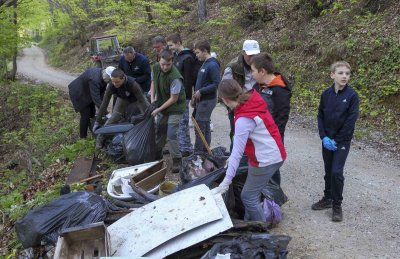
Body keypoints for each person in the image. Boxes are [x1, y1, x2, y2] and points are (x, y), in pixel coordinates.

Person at [212, 79, 286, 222]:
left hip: (266, 159)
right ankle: (248, 223)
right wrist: (231, 158)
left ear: (225, 100)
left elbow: (237, 154)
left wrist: (225, 182)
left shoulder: (243, 120)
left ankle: (262, 233)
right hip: (275, 153)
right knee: (251, 193)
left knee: (248, 197)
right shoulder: (251, 101)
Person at [312, 61, 359, 222]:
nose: (344, 76)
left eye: (347, 73)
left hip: (341, 141)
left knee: (336, 172)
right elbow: (320, 116)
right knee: (328, 171)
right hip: (327, 140)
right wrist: (323, 136)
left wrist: (336, 140)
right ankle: (327, 198)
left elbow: (350, 121)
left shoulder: (352, 96)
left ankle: (337, 205)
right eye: (340, 73)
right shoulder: (326, 94)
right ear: (332, 75)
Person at [250, 52, 292, 186]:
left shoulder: (280, 90)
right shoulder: (258, 86)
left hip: (273, 138)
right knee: (261, 166)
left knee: (272, 170)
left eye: (253, 71)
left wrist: (275, 139)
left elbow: (282, 118)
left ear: (262, 71)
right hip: (259, 135)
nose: (252, 74)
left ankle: (274, 201)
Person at [94, 68, 149, 149]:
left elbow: (142, 101)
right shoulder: (111, 86)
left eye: (117, 82)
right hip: (123, 98)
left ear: (123, 78)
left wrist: (147, 115)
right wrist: (97, 121)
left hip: (137, 98)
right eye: (113, 81)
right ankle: (101, 137)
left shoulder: (133, 84)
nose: (115, 84)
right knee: (114, 117)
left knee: (148, 114)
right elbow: (104, 103)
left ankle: (153, 134)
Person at [151, 49, 186, 173]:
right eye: (162, 64)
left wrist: (158, 109)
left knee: (171, 133)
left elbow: (173, 99)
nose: (165, 67)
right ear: (158, 61)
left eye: (168, 64)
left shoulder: (175, 77)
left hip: (175, 108)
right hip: (162, 105)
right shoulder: (155, 68)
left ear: (172, 62)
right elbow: (153, 82)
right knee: (160, 130)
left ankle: (177, 159)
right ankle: (156, 155)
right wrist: (152, 99)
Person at [222, 40, 260, 151]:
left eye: (255, 55)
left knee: (254, 136)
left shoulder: (261, 64)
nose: (253, 58)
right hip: (237, 107)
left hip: (256, 106)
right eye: (250, 55)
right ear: (243, 52)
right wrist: (233, 106)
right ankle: (234, 161)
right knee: (237, 135)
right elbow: (224, 89)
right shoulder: (232, 68)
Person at [166, 33, 196, 157]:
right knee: (178, 121)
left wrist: (184, 95)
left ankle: (186, 148)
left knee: (183, 122)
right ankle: (182, 145)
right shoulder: (176, 57)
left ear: (178, 42)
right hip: (176, 94)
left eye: (171, 45)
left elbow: (189, 80)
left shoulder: (187, 58)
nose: (170, 48)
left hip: (183, 95)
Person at [68, 67, 113, 138]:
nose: (111, 81)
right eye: (110, 79)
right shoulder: (94, 79)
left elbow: (101, 96)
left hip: (87, 92)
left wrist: (102, 110)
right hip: (78, 93)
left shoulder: (104, 78)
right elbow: (96, 99)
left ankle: (93, 132)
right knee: (85, 115)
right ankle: (83, 137)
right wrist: (107, 114)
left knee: (92, 113)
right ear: (106, 75)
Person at [192, 40, 221, 153]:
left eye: (198, 52)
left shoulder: (212, 64)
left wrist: (201, 91)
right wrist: (195, 95)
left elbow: (216, 83)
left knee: (200, 128)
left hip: (208, 100)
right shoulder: (205, 63)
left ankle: (199, 153)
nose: (196, 55)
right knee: (204, 125)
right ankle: (205, 151)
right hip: (202, 100)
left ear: (205, 51)